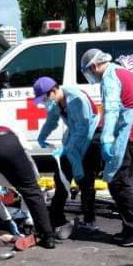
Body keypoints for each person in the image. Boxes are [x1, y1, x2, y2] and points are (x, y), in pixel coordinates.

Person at [80, 48, 133, 247]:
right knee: (130, 180)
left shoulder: (110, 76)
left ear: (95, 65)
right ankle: (131, 228)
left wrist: (106, 139)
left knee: (117, 180)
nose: (93, 76)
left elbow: (112, 109)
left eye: (91, 72)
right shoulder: (124, 71)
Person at [33, 76, 102, 238]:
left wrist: (68, 148)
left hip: (91, 137)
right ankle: (56, 218)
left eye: (45, 97)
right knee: (61, 177)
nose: (44, 102)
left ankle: (89, 220)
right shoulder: (57, 101)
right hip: (74, 135)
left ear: (54, 90)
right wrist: (42, 136)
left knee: (85, 181)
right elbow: (52, 120)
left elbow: (83, 129)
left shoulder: (77, 99)